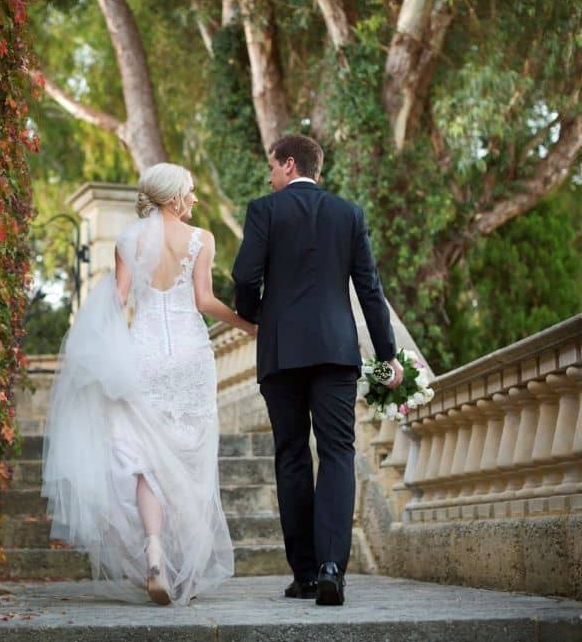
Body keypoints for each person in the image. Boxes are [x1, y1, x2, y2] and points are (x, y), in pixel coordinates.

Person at [41, 163, 255, 606]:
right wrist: (245, 323)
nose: (195, 199)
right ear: (175, 196)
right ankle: (186, 564)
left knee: (143, 459)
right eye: (191, 192)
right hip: (191, 357)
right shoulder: (201, 240)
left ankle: (155, 550)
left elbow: (119, 299)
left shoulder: (127, 239)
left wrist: (98, 348)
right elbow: (203, 301)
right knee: (189, 458)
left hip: (144, 355)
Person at [232, 134, 402, 606]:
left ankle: (304, 574)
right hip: (335, 351)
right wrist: (388, 354)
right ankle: (332, 568)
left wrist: (257, 318)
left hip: (282, 352)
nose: (269, 176)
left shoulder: (264, 210)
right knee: (337, 453)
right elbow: (370, 288)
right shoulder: (349, 214)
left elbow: (245, 276)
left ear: (289, 165)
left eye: (272, 166)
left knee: (291, 455)